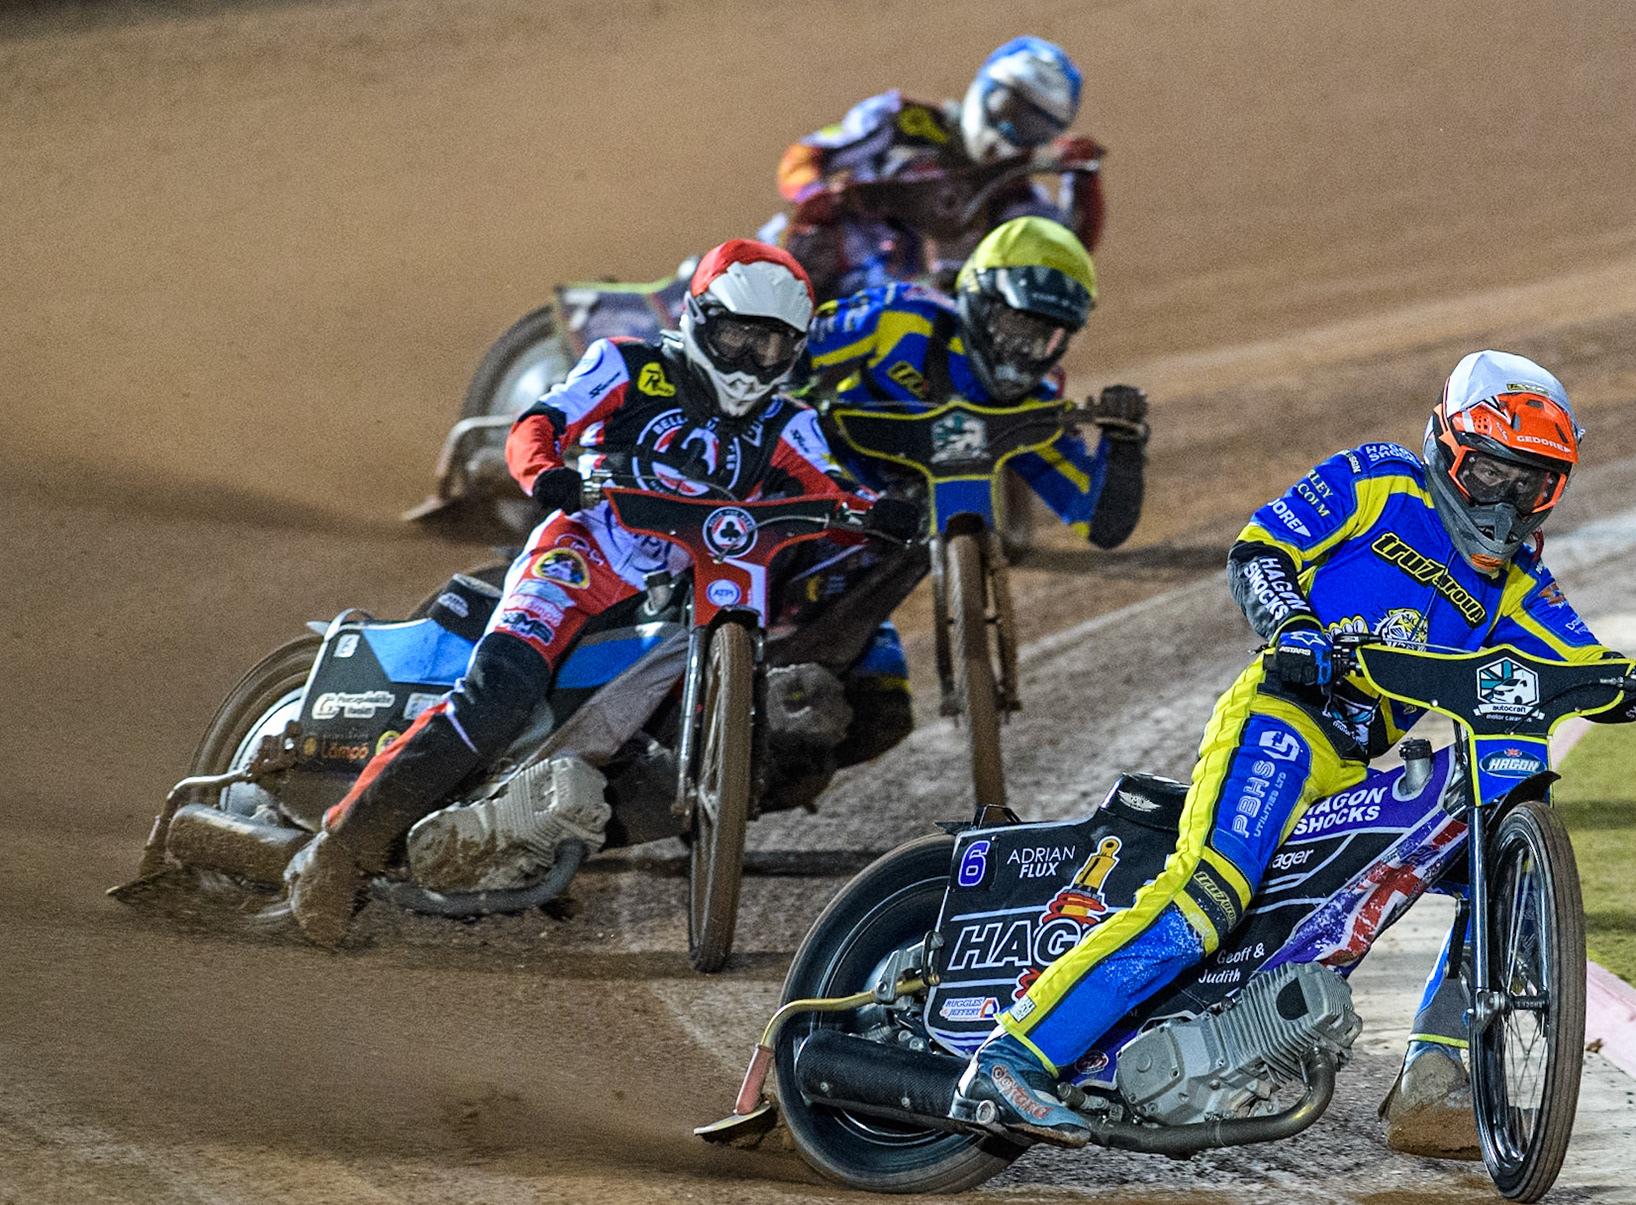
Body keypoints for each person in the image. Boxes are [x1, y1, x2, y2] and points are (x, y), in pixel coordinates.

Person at [953, 350, 1636, 1147]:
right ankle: (1011, 1059)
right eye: (1491, 472)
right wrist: (1291, 625)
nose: (1506, 501)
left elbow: (1577, 662)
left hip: (1353, 768)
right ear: (1447, 446)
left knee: (1500, 869)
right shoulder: (1377, 478)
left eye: (1531, 484)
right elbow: (1261, 551)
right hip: (1280, 722)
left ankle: (1435, 1075)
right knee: (1206, 900)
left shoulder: (1518, 575)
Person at [284, 240, 915, 946]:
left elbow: (829, 484)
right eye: (738, 336)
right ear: (699, 318)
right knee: (498, 694)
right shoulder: (628, 365)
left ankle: (532, 834)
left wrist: (876, 511)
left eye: (771, 346)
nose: (750, 361)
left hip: (686, 593)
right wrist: (544, 471)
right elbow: (540, 423)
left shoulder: (788, 421)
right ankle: (338, 850)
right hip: (580, 559)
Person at [806, 215, 1147, 550]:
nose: (1025, 349)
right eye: (1015, 326)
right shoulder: (899, 318)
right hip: (816, 485)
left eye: (1047, 336)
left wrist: (1124, 441)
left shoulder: (1030, 407)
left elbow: (1100, 522)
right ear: (980, 298)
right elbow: (797, 353)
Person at [769, 36, 1105, 302]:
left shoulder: (1016, 196)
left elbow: (1063, 254)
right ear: (984, 87)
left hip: (907, 317)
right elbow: (804, 156)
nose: (1007, 134)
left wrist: (1083, 181)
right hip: (815, 277)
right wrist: (816, 197)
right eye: (1006, 109)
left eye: (1033, 128)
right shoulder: (903, 119)